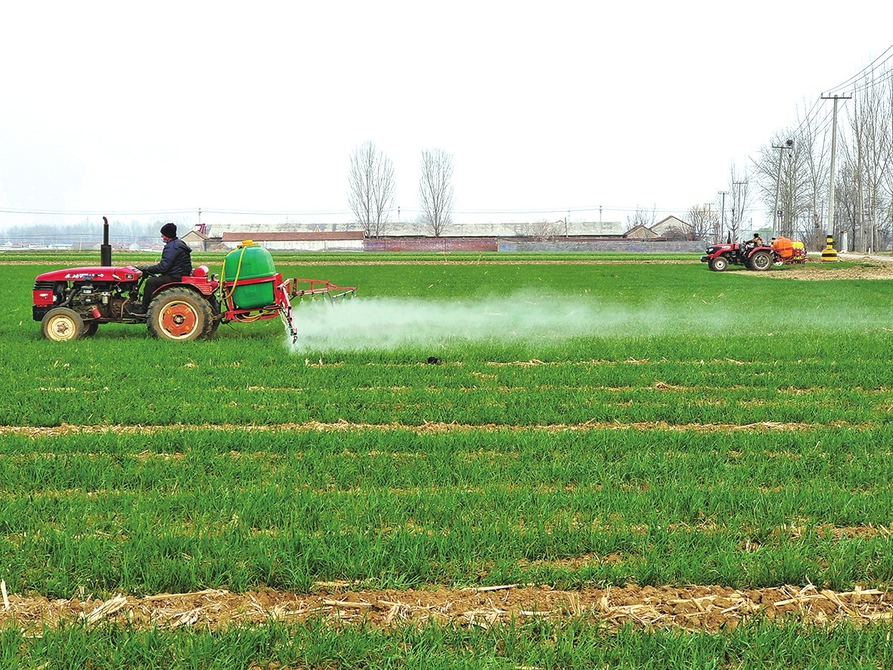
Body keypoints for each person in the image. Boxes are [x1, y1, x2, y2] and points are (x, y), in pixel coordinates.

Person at [132, 223, 193, 314]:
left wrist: (146, 268)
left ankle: (144, 309)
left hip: (175, 276)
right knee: (155, 279)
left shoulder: (172, 247)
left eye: (163, 234)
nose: (162, 236)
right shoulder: (179, 243)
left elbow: (163, 267)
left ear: (168, 235)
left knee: (151, 282)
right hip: (179, 273)